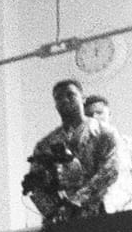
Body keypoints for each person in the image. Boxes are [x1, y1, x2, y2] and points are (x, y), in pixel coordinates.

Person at [24, 78, 119, 224]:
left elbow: (109, 171)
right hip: (60, 222)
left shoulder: (104, 133)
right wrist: (54, 211)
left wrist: (76, 202)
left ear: (82, 98)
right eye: (59, 98)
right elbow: (35, 184)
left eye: (70, 95)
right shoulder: (45, 145)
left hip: (99, 214)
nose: (65, 100)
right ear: (55, 105)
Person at [82, 94, 132, 210]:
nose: (94, 117)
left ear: (109, 114)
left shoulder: (129, 145)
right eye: (89, 115)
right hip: (96, 213)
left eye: (99, 113)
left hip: (127, 209)